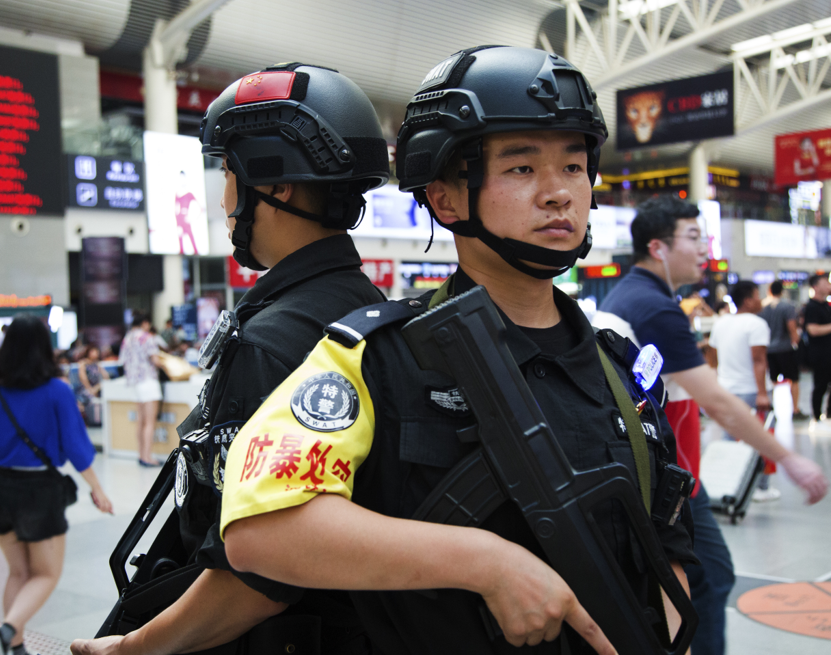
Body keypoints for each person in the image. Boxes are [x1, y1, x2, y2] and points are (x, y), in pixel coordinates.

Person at [218, 47, 695, 655]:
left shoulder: (623, 373)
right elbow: (261, 529)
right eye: (522, 168)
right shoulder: (373, 358)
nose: (559, 193)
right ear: (445, 199)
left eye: (574, 166)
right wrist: (486, 563)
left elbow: (668, 552)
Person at [71, 62, 390, 655]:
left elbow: (258, 571)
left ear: (276, 184)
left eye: (227, 173)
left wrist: (134, 647)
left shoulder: (271, 341)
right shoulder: (364, 304)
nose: (222, 199)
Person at [592, 197, 828, 655]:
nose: (706, 249)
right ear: (658, 247)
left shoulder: (632, 295)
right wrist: (788, 458)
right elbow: (716, 401)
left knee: (695, 580)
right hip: (662, 477)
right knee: (710, 575)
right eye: (694, 237)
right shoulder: (654, 307)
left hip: (652, 469)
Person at [0, 315, 113, 655]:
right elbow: (76, 448)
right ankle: (7, 632)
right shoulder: (57, 390)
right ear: (45, 348)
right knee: (45, 574)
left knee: (18, 573)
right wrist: (98, 489)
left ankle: (14, 648)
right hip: (39, 491)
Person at [708, 281, 778, 501]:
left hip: (727, 389)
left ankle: (726, 486)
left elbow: (712, 357)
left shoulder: (721, 323)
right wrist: (762, 393)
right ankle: (761, 488)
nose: (760, 300)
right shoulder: (756, 324)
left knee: (729, 437)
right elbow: (759, 360)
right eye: (757, 296)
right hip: (752, 391)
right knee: (762, 438)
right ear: (748, 300)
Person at [118, 313, 163, 466]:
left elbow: (122, 360)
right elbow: (155, 360)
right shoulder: (146, 337)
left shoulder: (127, 338)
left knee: (141, 421)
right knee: (149, 422)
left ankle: (141, 455)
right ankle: (147, 457)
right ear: (145, 323)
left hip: (134, 383)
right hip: (148, 380)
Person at [759, 279, 804, 420]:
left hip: (767, 349)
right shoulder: (787, 306)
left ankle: (772, 409)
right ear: (782, 291)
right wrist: (796, 341)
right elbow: (792, 327)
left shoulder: (762, 307)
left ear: (769, 290)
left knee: (771, 380)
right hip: (785, 348)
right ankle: (794, 409)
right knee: (793, 379)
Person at [803, 273, 831, 425]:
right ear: (815, 287)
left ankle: (829, 414)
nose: (828, 285)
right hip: (820, 354)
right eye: (825, 283)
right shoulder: (812, 307)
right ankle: (817, 415)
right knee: (820, 385)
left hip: (828, 352)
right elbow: (812, 330)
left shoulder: (826, 305)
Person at [77, 345, 110, 426]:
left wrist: (100, 367)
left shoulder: (97, 364)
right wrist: (90, 389)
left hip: (96, 388)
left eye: (97, 352)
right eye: (93, 351)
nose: (95, 353)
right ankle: (93, 421)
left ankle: (103, 419)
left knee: (104, 389)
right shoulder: (83, 363)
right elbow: (83, 379)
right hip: (85, 389)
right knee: (89, 395)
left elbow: (106, 377)